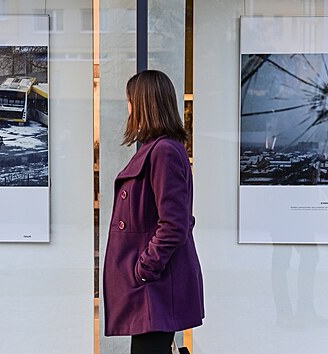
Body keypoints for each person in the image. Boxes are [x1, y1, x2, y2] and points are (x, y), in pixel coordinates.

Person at [103, 70, 204, 354]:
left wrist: (145, 269)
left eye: (130, 101)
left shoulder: (164, 152)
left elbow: (174, 223)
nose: (129, 109)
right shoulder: (157, 149)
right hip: (153, 288)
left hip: (156, 286)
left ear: (144, 104)